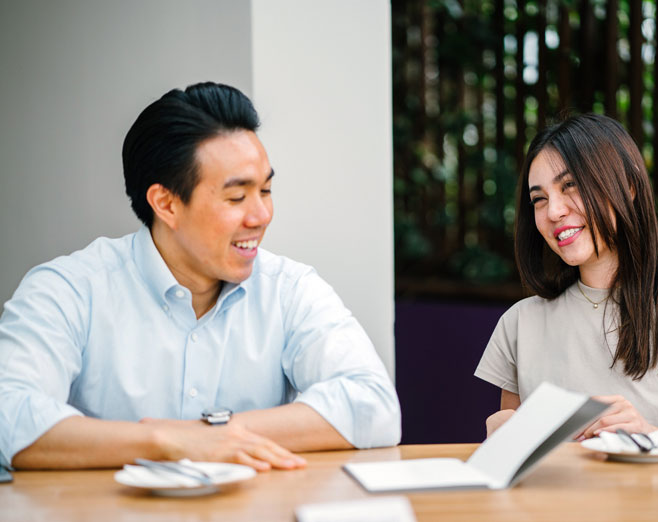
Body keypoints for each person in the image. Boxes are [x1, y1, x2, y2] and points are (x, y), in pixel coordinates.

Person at [0, 82, 401, 471]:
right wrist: (164, 443)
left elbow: (374, 404)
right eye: (236, 196)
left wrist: (215, 434)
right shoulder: (69, 290)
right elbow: (9, 414)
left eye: (265, 190)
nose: (261, 216)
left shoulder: (289, 289)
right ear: (166, 203)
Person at [475, 113, 658, 441]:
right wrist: (503, 445)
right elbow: (515, 476)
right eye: (539, 199)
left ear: (628, 186)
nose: (554, 211)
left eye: (571, 185)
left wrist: (652, 439)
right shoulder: (518, 326)